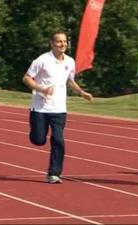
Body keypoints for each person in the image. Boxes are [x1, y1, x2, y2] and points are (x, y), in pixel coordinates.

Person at [22, 30, 93, 184]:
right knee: (39, 140)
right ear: (52, 43)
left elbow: (70, 81)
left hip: (59, 109)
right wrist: (42, 89)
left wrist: (82, 92)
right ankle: (35, 131)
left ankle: (54, 173)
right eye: (59, 41)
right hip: (40, 108)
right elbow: (27, 78)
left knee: (58, 140)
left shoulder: (70, 61)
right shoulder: (42, 60)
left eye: (65, 41)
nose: (63, 44)